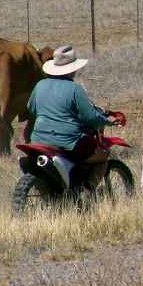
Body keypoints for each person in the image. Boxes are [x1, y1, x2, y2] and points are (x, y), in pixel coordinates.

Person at [27, 45, 118, 185]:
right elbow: (90, 117)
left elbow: (31, 108)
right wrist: (107, 121)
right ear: (73, 69)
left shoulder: (40, 85)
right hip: (67, 142)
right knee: (102, 156)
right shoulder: (75, 89)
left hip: (38, 140)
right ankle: (89, 191)